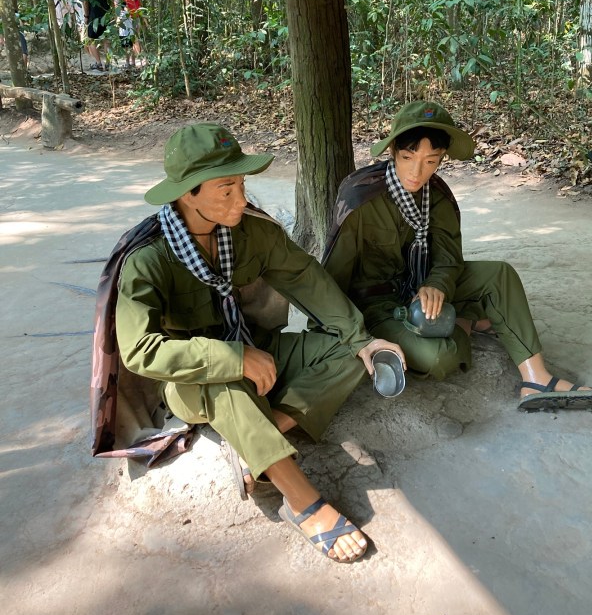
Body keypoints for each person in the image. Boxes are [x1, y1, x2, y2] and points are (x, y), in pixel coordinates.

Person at [100, 123, 405, 563]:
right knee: (225, 386)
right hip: (194, 382)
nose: (241, 199)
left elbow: (306, 279)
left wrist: (360, 338)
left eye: (241, 184)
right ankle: (302, 501)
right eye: (226, 189)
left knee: (348, 351)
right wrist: (231, 357)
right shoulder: (148, 259)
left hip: (261, 354)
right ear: (188, 194)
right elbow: (141, 351)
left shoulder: (251, 233)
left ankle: (257, 444)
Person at [322, 100, 592, 412]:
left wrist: (437, 285)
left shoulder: (436, 195)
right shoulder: (360, 196)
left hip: (422, 291)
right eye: (408, 157)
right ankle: (465, 322)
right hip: (376, 306)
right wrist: (347, 336)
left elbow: (449, 257)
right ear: (393, 149)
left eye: (431, 161)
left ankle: (536, 378)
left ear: (441, 159)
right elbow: (332, 278)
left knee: (499, 275)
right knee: (440, 357)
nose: (417, 171)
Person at [82, 0, 110, 70]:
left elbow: (86, 2)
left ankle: (98, 63)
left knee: (90, 40)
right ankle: (108, 63)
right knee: (106, 39)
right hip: (105, 14)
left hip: (94, 15)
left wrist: (86, 16)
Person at [117, 0, 136, 69]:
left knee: (126, 49)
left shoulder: (122, 13)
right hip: (130, 33)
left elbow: (118, 22)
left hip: (125, 34)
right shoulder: (127, 12)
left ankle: (127, 63)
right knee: (131, 48)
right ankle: (132, 63)